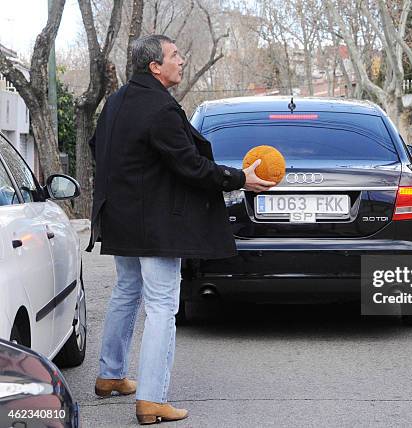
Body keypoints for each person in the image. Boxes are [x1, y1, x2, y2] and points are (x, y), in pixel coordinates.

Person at [86, 34, 276, 425]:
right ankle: (152, 400)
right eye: (175, 55)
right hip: (155, 226)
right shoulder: (160, 109)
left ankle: (110, 374)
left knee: (126, 293)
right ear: (155, 66)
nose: (182, 60)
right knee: (160, 307)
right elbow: (189, 165)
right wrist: (241, 178)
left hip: (121, 219)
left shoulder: (116, 102)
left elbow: (99, 149)